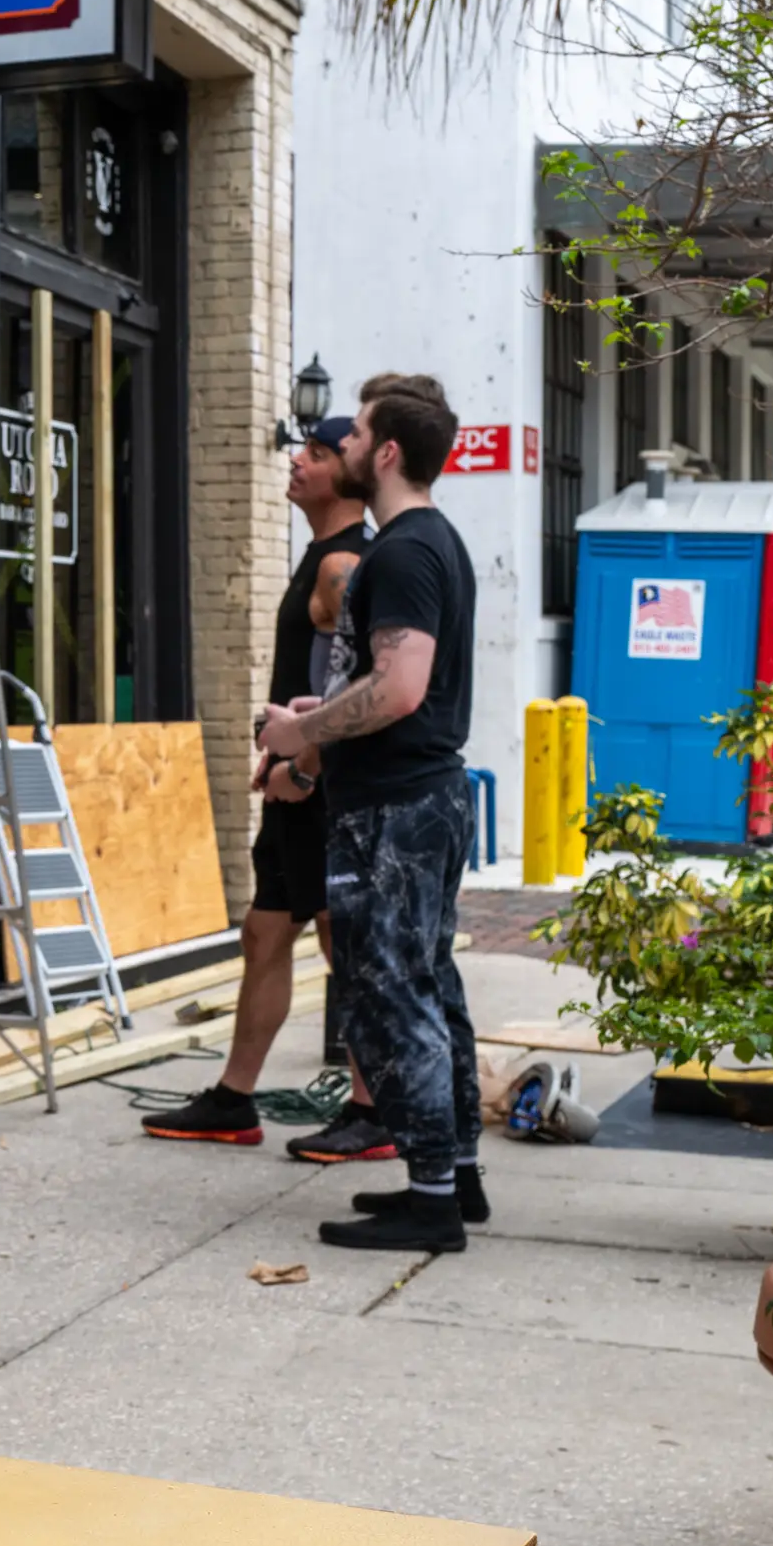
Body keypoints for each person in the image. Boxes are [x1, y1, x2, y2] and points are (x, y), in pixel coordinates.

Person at [261, 373, 489, 1254]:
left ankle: (434, 1197)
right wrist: (311, 760)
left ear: (386, 452)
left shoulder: (401, 553)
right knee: (427, 986)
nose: (342, 443)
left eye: (352, 434)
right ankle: (452, 1179)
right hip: (409, 799)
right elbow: (386, 688)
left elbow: (397, 688)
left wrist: (298, 729)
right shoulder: (433, 545)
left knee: (393, 998)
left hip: (397, 809)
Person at [141, 419, 374, 1150]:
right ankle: (235, 1101)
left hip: (324, 793)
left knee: (344, 943)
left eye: (317, 453)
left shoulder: (342, 569)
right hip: (296, 785)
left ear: (350, 473)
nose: (297, 462)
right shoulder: (319, 559)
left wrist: (307, 767)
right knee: (266, 930)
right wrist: (281, 757)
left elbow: (362, 688)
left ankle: (373, 1110)